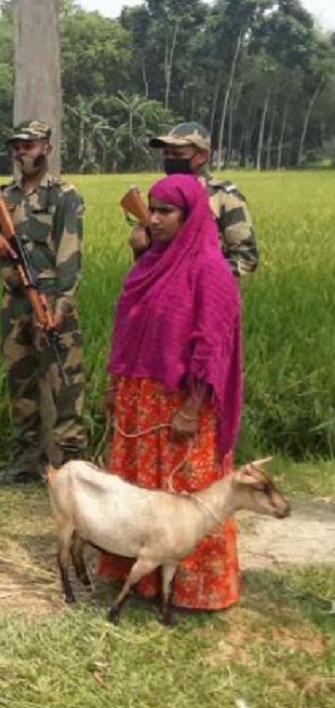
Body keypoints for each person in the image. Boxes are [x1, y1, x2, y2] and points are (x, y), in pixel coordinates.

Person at [97, 173, 244, 611]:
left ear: (190, 216)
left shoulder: (209, 270)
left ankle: (193, 586)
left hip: (181, 402)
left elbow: (212, 345)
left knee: (186, 496)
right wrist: (114, 385)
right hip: (138, 398)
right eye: (153, 210)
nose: (153, 219)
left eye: (165, 212)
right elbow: (128, 329)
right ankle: (138, 577)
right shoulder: (149, 264)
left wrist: (193, 406)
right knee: (139, 491)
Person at [0, 120, 87, 485]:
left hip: (51, 299)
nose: (22, 151)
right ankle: (26, 463)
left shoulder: (64, 195)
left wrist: (61, 305)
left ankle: (73, 467)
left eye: (30, 144)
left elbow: (70, 255)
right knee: (20, 382)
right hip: (14, 306)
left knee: (65, 383)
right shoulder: (3, 196)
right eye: (17, 145)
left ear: (47, 149)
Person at [134, 122, 258, 277]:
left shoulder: (224, 197)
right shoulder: (162, 195)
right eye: (166, 154)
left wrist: (195, 273)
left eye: (178, 155)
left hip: (209, 294)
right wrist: (140, 247)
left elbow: (246, 259)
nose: (170, 159)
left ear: (202, 156)